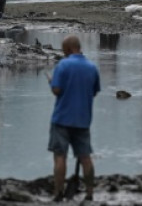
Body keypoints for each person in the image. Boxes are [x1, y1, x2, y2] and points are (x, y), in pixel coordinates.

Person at [47, 35, 101, 202]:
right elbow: (94, 91)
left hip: (62, 118)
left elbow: (57, 90)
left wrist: (51, 83)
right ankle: (90, 193)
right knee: (85, 157)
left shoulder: (63, 65)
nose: (63, 54)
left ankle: (58, 193)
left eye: (64, 51)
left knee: (60, 156)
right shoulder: (92, 67)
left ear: (69, 50)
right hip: (83, 120)